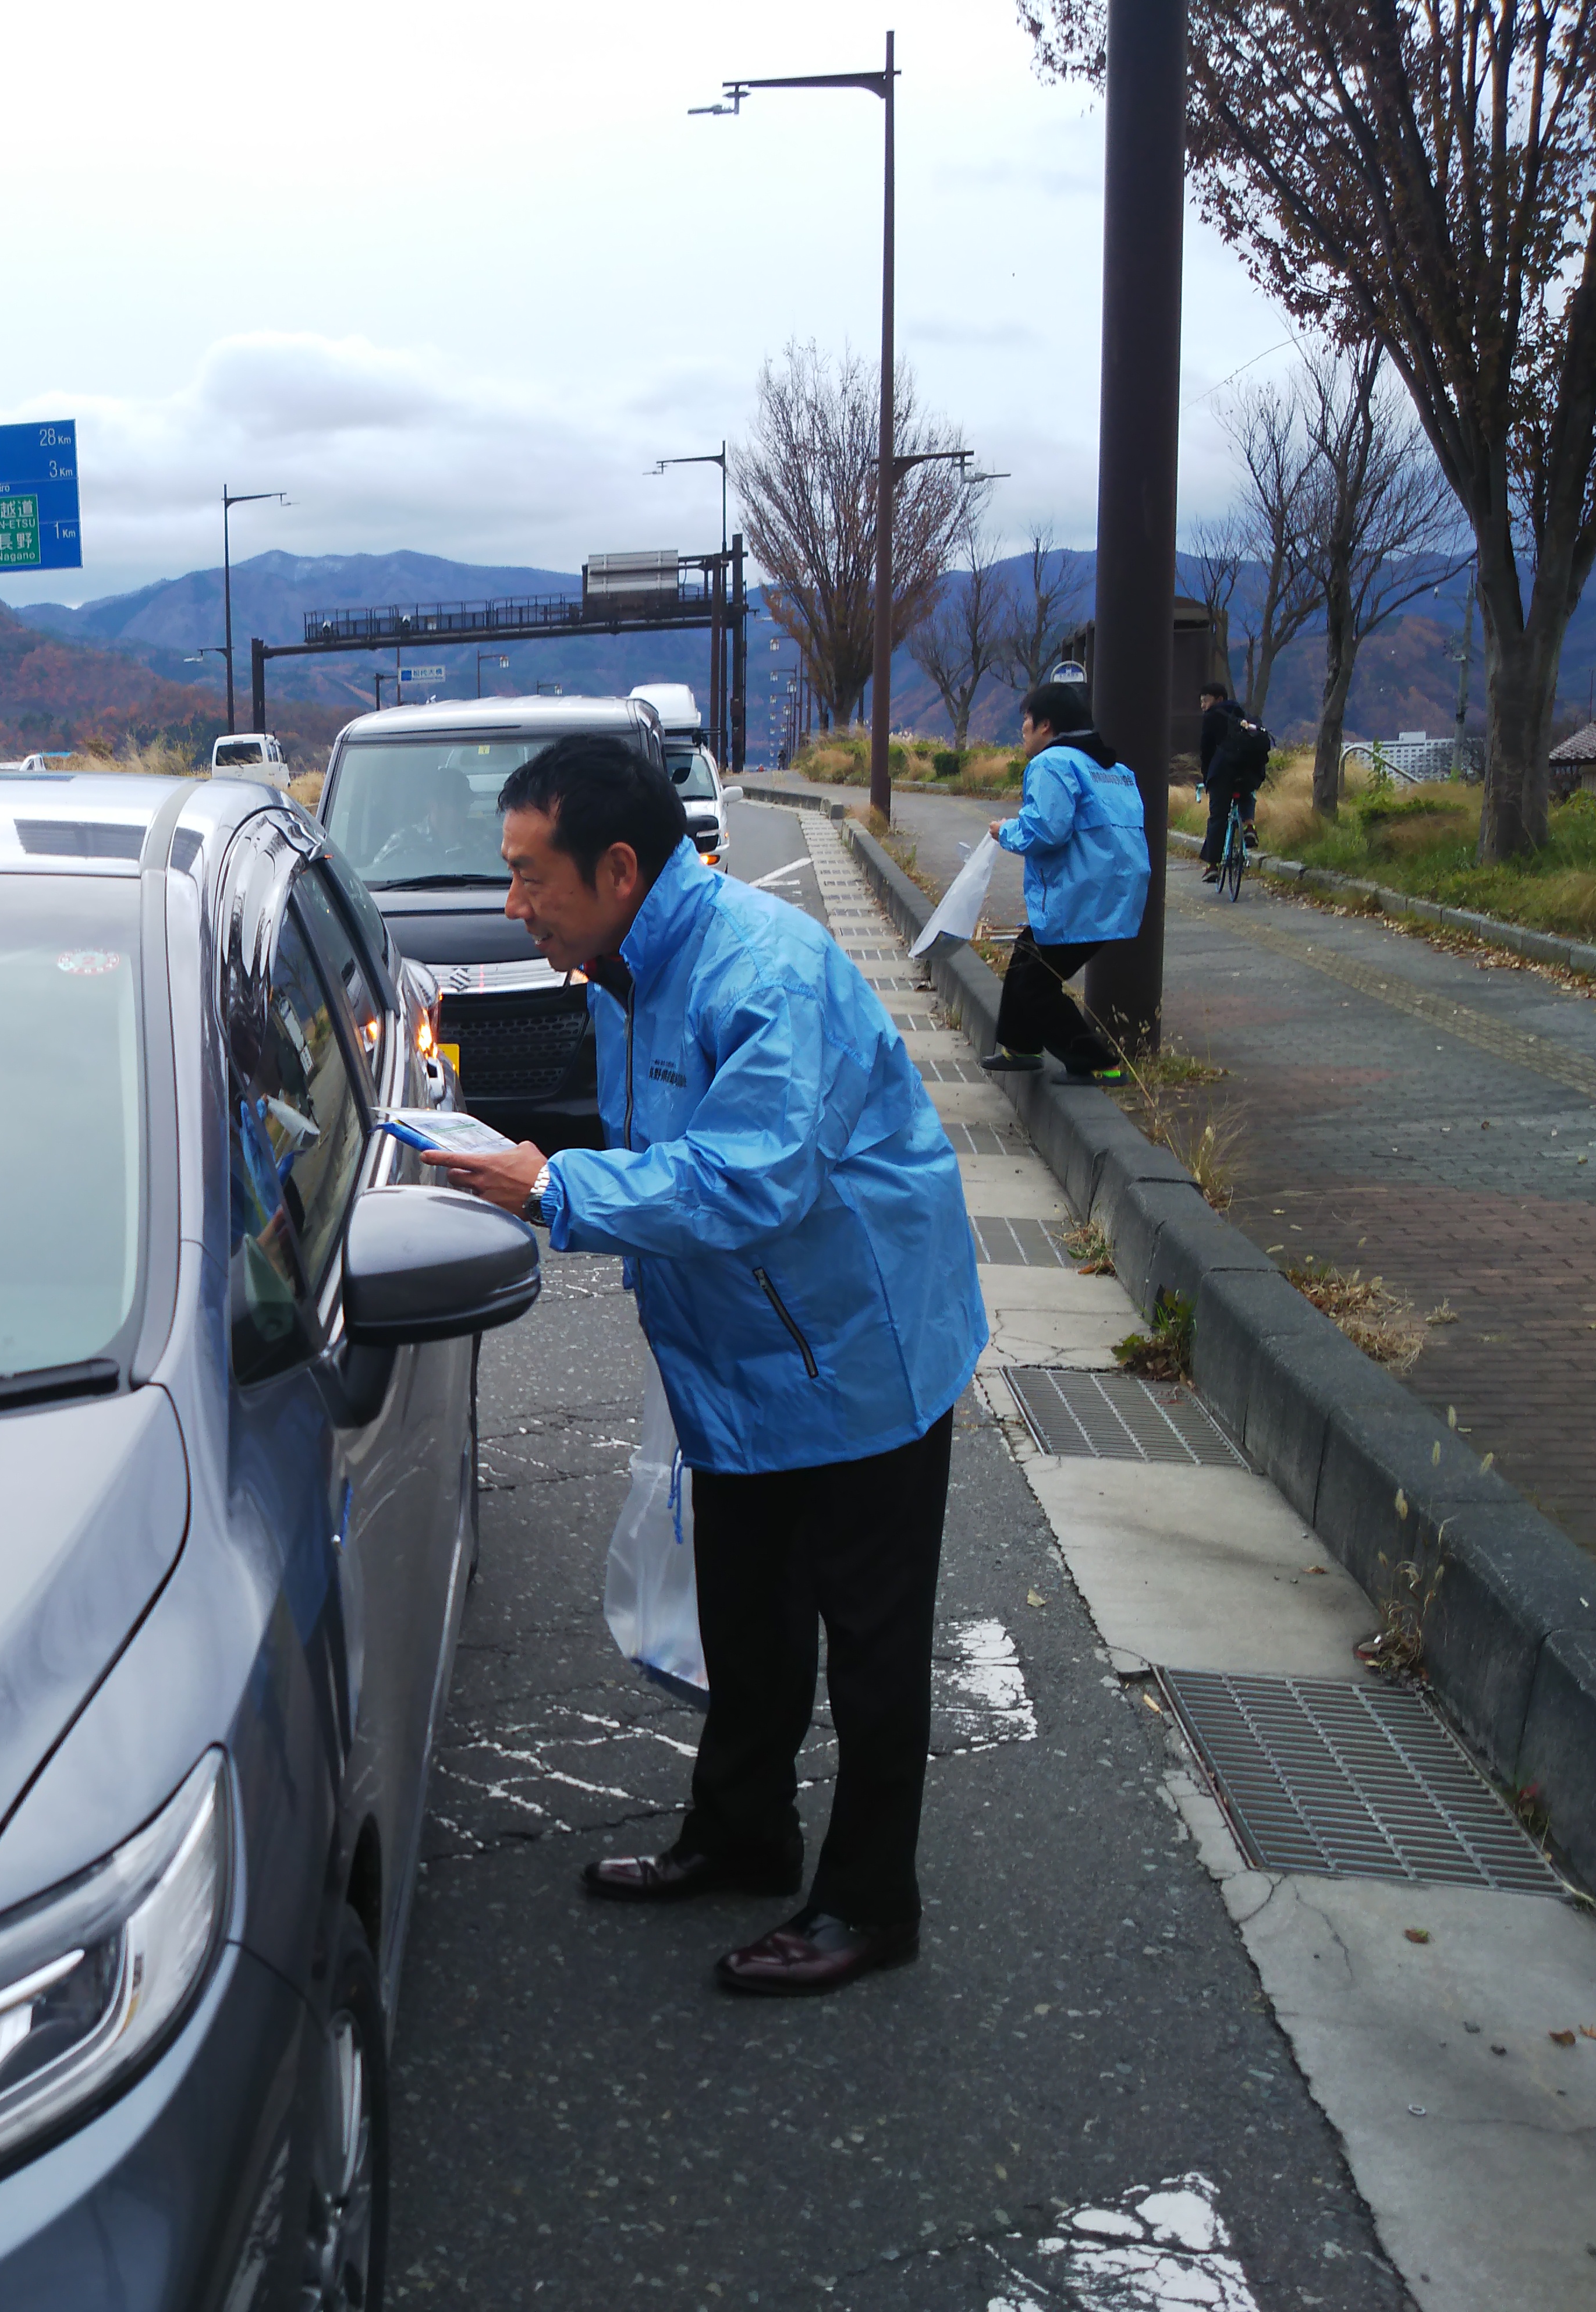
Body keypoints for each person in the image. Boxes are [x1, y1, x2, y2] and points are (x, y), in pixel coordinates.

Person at [418, 732, 990, 1998]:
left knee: (871, 1643)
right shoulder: (629, 964)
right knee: (748, 1611)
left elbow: (749, 1177)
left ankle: (866, 1903)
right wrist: (502, 1145)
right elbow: (646, 1134)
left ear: (617, 868)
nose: (511, 909)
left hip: (855, 1348)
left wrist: (553, 1185)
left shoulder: (756, 970)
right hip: (745, 1349)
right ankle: (740, 1835)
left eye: (527, 878)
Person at [983, 679, 1147, 1082]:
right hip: (1117, 894)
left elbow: (1047, 830)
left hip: (1080, 895)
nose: (1022, 727)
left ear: (1046, 726)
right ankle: (1020, 1047)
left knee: (1035, 980)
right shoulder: (1115, 770)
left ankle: (1097, 1062)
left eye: (1027, 718)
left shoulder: (1052, 764)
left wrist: (1005, 830)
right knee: (1028, 955)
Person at [1194, 682, 1268, 880]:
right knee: (1246, 793)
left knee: (1218, 817)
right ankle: (1249, 825)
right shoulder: (1242, 714)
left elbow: (1206, 751)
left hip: (1222, 773)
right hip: (1248, 771)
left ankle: (1212, 866)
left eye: (1205, 701)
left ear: (1218, 699)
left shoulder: (1211, 718)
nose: (1203, 706)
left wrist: (1207, 776)